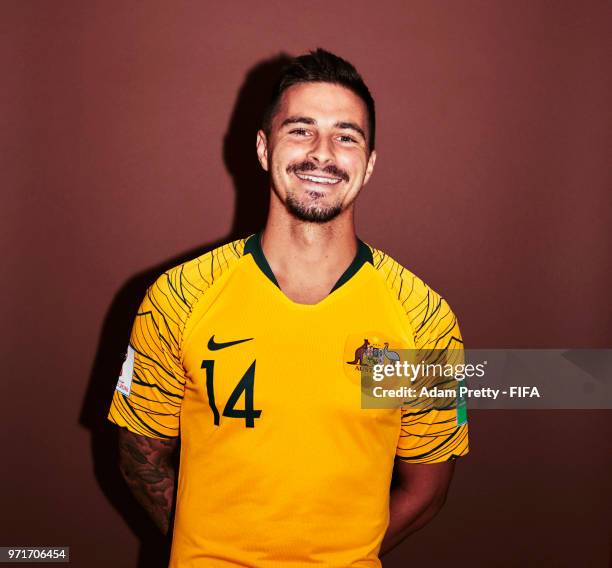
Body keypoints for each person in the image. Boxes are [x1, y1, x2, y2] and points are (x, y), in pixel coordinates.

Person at [107, 48, 468, 567]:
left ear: (367, 165)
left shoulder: (422, 316)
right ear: (262, 148)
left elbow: (427, 489)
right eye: (301, 129)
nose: (322, 152)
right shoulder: (178, 297)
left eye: (347, 136)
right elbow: (139, 458)